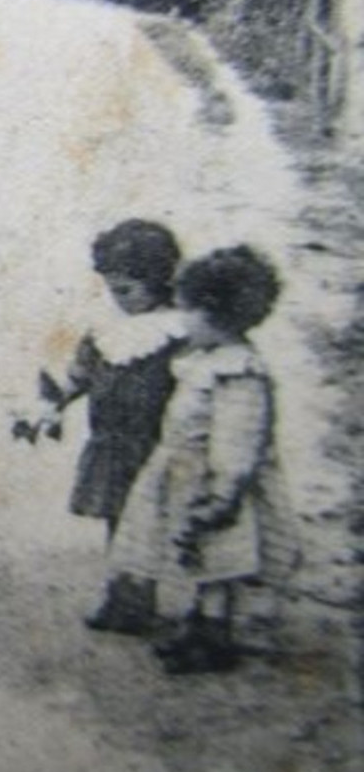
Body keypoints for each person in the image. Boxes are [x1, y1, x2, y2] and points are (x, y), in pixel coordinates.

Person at [110, 245, 297, 674]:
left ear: (215, 313)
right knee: (197, 558)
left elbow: (238, 438)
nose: (181, 320)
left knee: (217, 561)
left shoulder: (239, 372)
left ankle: (213, 638)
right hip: (184, 476)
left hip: (213, 484)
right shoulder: (207, 361)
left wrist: (224, 492)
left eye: (187, 310)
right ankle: (196, 629)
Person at [14, 219, 186, 634]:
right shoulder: (106, 332)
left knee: (152, 522)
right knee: (118, 519)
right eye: (112, 290)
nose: (118, 299)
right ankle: (124, 596)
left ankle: (158, 599)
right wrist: (53, 404)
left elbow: (193, 386)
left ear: (159, 279)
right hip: (112, 443)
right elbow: (81, 374)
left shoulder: (177, 332)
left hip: (154, 444)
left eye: (127, 290)